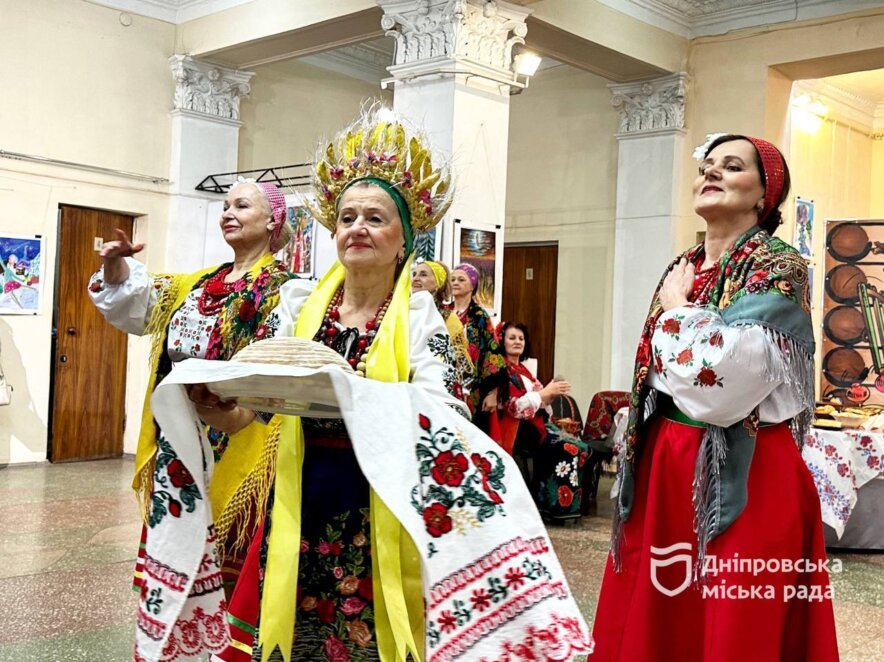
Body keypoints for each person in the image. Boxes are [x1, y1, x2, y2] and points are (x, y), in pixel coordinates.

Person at [190, 106, 591, 662]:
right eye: (347, 216)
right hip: (298, 498)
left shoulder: (421, 318)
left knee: (372, 641)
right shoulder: (300, 305)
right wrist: (217, 408)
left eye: (375, 218)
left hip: (379, 502)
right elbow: (258, 411)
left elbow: (441, 414)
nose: (358, 227)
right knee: (290, 639)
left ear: (405, 238)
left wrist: (352, 391)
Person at [591, 135, 838, 661]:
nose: (713, 173)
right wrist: (693, 337)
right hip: (667, 462)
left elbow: (723, 385)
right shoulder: (684, 264)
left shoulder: (778, 265)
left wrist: (678, 312)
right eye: (707, 166)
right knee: (666, 610)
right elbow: (671, 372)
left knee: (737, 616)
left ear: (764, 193)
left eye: (732, 166)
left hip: (747, 470)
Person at [88, 181, 294, 610]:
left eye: (241, 205)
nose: (227, 212)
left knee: (228, 570)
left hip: (239, 446)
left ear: (273, 220)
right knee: (177, 562)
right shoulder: (197, 285)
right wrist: (116, 266)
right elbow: (135, 303)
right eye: (224, 205)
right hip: (178, 445)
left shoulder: (290, 291)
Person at [490, 322, 586, 522]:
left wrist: (551, 393)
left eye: (521, 338)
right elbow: (512, 408)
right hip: (518, 430)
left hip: (534, 425)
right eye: (512, 338)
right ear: (502, 341)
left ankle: (559, 503)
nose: (517, 342)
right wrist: (543, 394)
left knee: (581, 445)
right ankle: (556, 506)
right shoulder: (501, 371)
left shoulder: (523, 371)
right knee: (569, 447)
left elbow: (541, 402)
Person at [411, 258, 473, 404]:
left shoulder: (448, 319)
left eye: (424, 274)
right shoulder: (401, 308)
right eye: (414, 274)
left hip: (433, 389)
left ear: (437, 283)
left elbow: (458, 363)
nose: (416, 278)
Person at [450, 262, 506, 415]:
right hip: (443, 378)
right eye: (453, 279)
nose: (455, 282)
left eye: (461, 279)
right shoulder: (442, 312)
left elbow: (492, 351)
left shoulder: (479, 316)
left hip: (470, 386)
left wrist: (492, 392)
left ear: (472, 285)